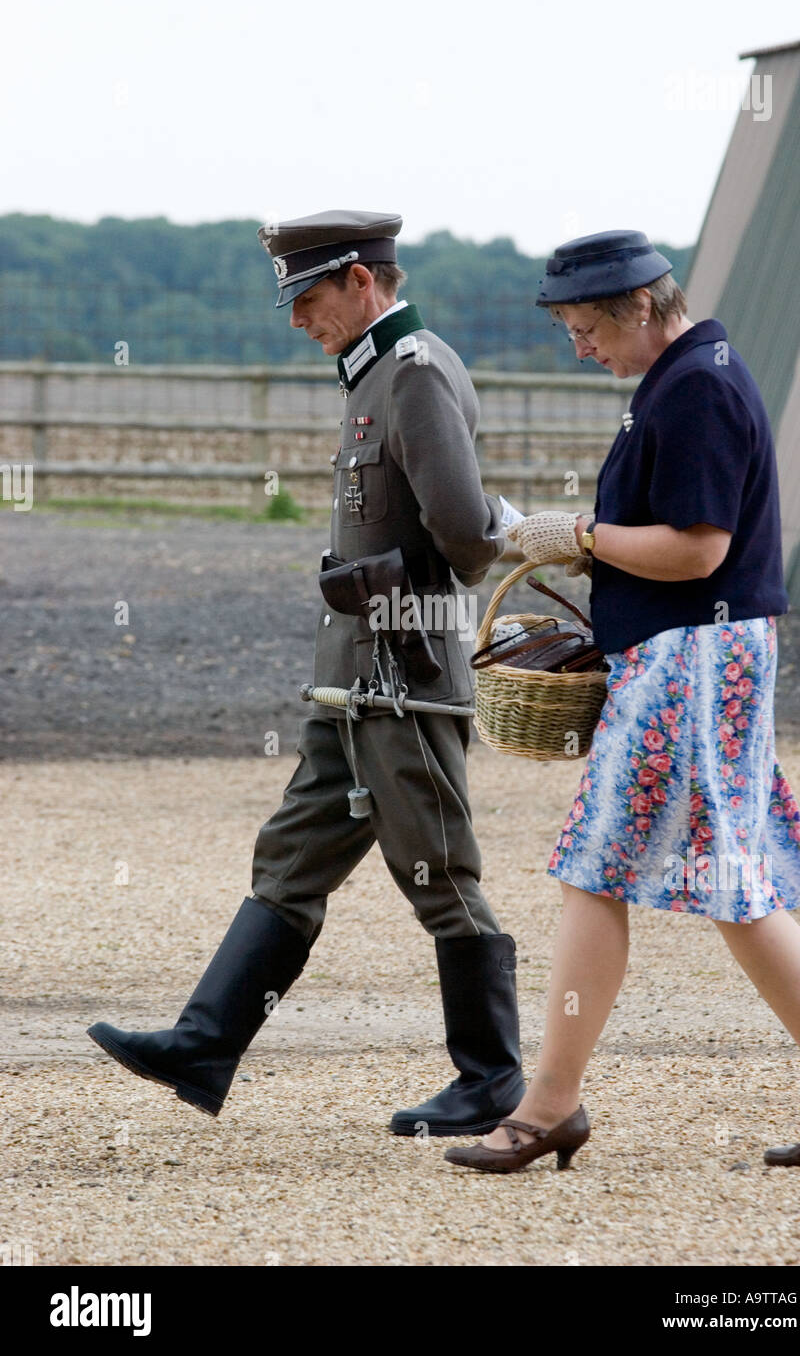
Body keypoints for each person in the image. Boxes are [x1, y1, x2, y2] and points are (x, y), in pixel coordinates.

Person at [88, 210, 524, 1137]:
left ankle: (492, 1079)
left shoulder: (412, 373)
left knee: (437, 870)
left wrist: (503, 525)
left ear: (363, 280)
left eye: (309, 296)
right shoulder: (375, 373)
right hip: (357, 679)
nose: (296, 318)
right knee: (290, 860)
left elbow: (462, 536)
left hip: (404, 675)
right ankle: (204, 1046)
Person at [445, 228, 800, 1173]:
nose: (578, 346)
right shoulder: (687, 376)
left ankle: (549, 1106)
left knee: (598, 870)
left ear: (638, 307)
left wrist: (575, 535)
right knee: (732, 888)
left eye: (586, 327)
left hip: (690, 658)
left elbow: (696, 550)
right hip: (708, 653)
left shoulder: (695, 385)